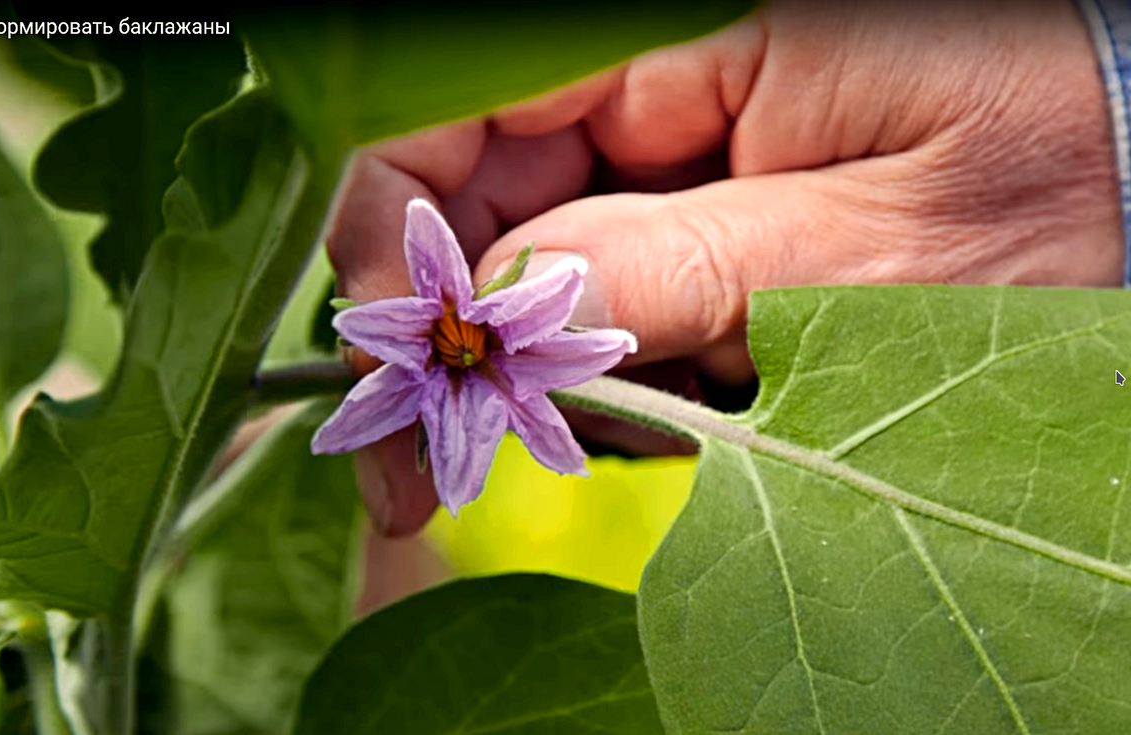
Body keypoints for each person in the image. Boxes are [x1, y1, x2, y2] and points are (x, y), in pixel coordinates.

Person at [324, 0, 1131, 536]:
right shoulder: (460, 349)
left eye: (460, 337)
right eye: (461, 342)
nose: (464, 343)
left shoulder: (468, 338)